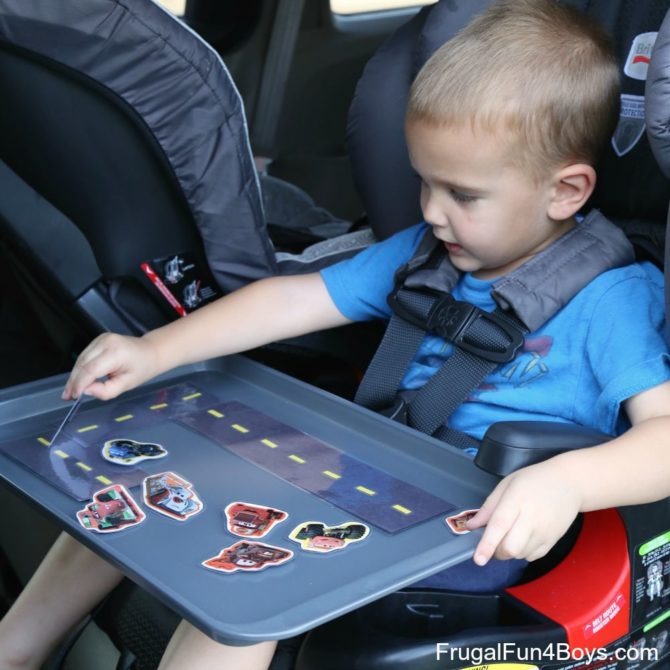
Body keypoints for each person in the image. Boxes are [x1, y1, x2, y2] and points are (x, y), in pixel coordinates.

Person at [3, 1, 670, 668]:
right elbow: (291, 301)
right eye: (425, 183)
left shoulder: (611, 300)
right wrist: (154, 350)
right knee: (138, 476)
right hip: (376, 475)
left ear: (566, 191)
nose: (432, 212)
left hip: (479, 527)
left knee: (250, 574)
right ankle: (17, 647)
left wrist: (568, 484)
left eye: (463, 195)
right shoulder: (425, 254)